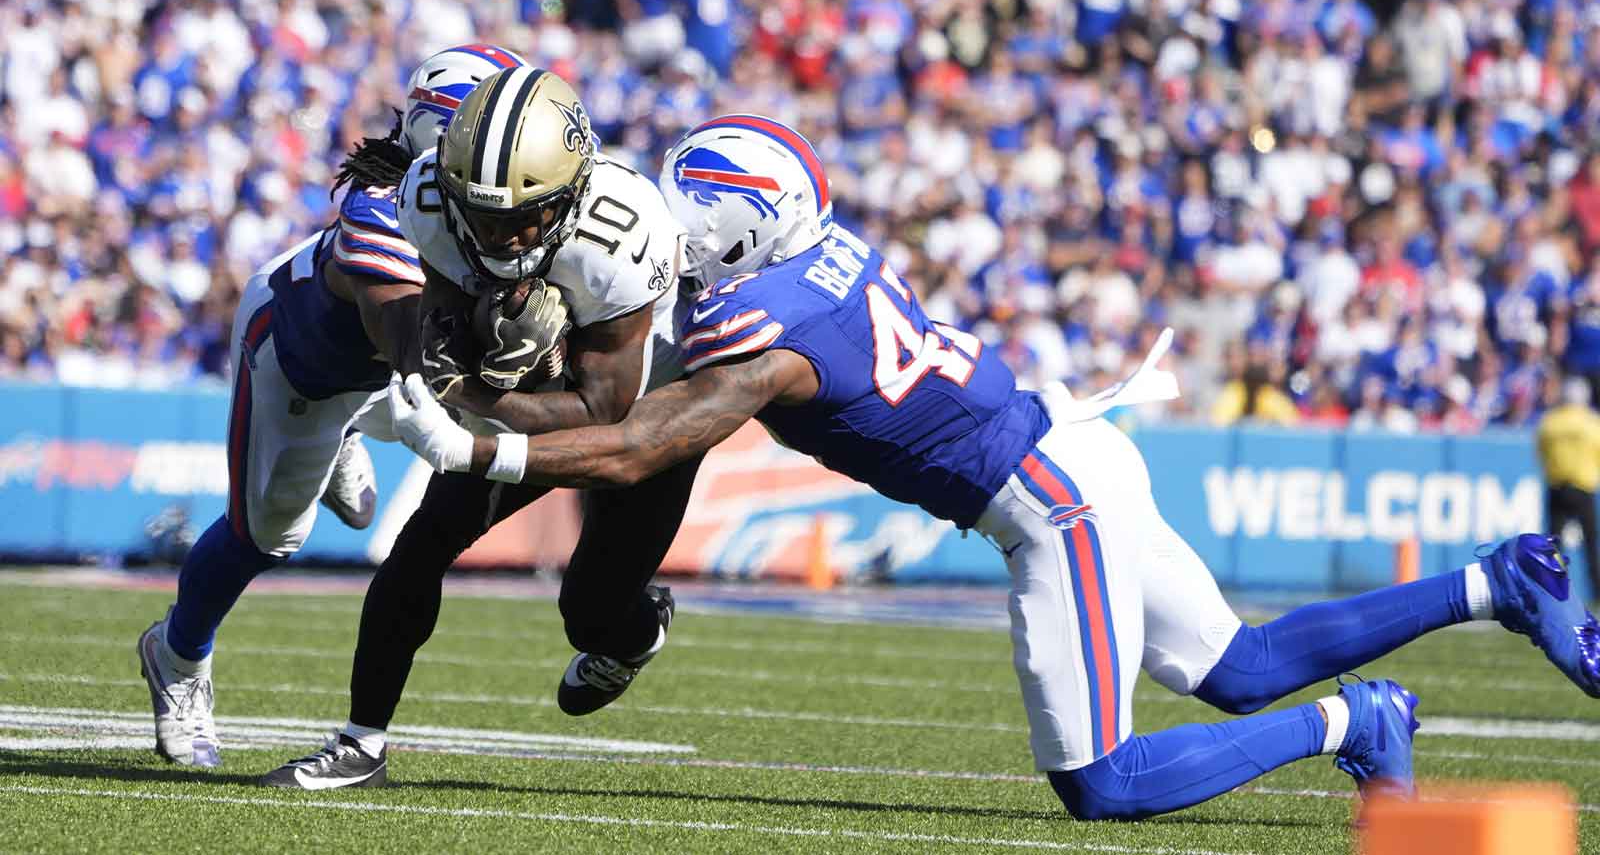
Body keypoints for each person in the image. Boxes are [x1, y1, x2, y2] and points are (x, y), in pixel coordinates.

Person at [387, 115, 1600, 818]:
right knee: (1234, 668)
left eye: (692, 204)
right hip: (1072, 444)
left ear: (742, 226)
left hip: (1048, 501)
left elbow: (648, 439)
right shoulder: (811, 262)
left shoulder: (762, 339)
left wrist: (475, 442)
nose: (672, 217)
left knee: (1101, 785)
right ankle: (1500, 582)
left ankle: (1353, 721)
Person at [265, 66, 697, 790]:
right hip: (531, 386)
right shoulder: (431, 196)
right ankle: (360, 742)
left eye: (525, 216)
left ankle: (637, 630)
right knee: (420, 545)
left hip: (649, 408)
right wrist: (448, 352)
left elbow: (603, 413)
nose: (502, 234)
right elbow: (441, 305)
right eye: (484, 215)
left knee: (590, 616)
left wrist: (470, 391)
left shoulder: (620, 235)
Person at [135, 44, 529, 768]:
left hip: (382, 372)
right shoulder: (383, 208)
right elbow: (414, 349)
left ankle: (348, 431)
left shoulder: (501, 198)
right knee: (270, 537)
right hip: (306, 364)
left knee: (390, 457)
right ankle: (178, 654)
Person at [1536, 377, 1600, 600]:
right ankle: (1597, 591)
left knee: (1553, 546)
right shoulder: (1592, 422)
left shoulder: (1550, 421)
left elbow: (1541, 452)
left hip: (1557, 487)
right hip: (1583, 486)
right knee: (1590, 545)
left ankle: (1552, 589)